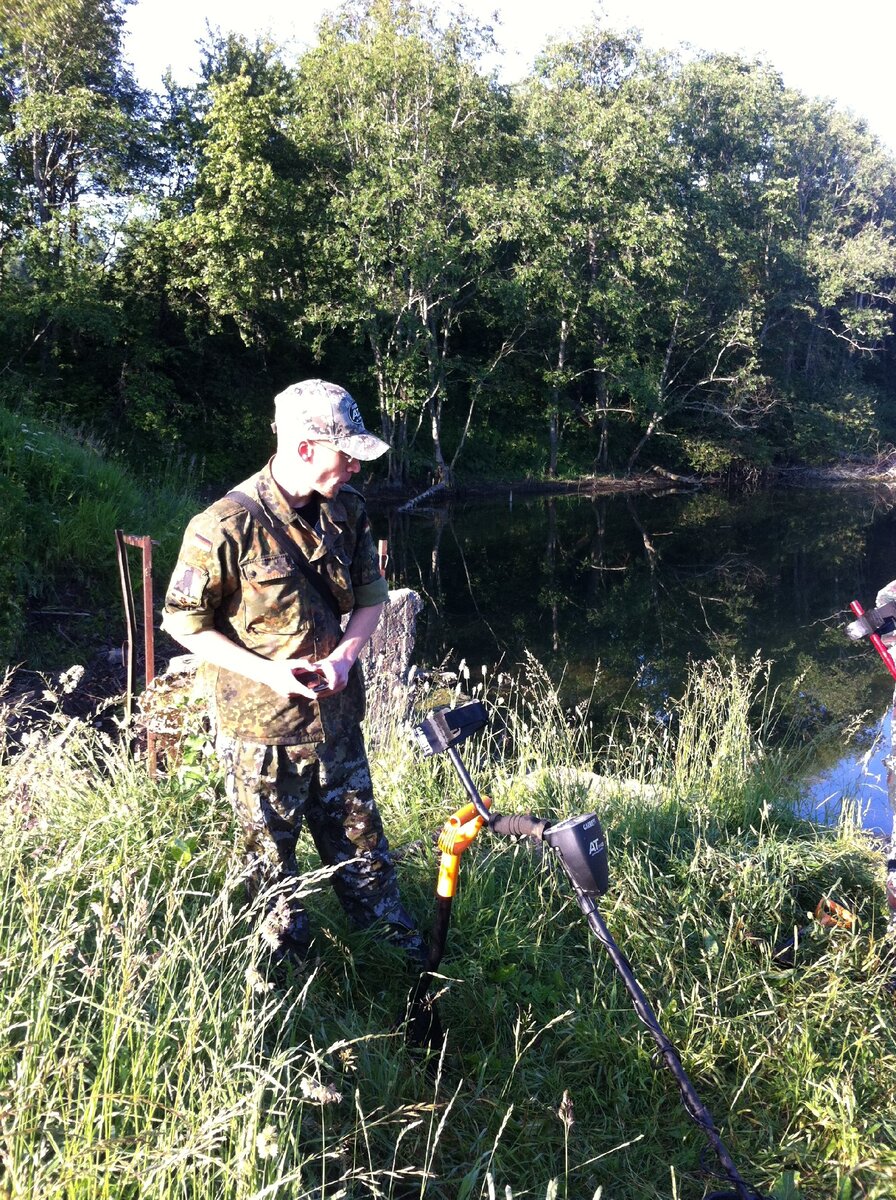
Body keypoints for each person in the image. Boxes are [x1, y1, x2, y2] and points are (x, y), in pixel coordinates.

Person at [161, 378, 423, 966]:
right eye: (346, 453)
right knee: (270, 882)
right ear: (305, 447)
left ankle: (403, 969)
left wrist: (346, 656)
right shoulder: (224, 525)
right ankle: (286, 1003)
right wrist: (270, 674)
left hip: (338, 727)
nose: (355, 467)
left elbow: (370, 597)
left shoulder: (347, 510)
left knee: (366, 859)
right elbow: (183, 622)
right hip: (262, 738)